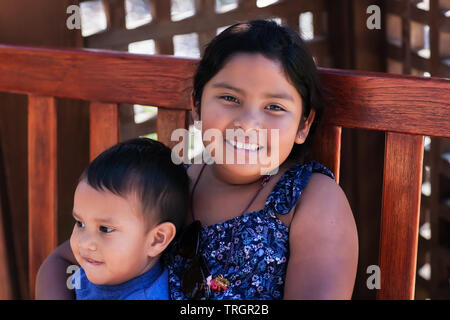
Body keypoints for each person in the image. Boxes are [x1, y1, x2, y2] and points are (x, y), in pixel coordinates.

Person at [36, 19, 358, 300]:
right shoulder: (172, 184)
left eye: (274, 107)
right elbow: (62, 262)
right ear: (197, 106)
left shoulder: (309, 200)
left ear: (304, 124)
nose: (247, 124)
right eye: (230, 98)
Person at [41, 138, 189, 299]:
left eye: (105, 229)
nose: (84, 242)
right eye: (80, 223)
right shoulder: (102, 268)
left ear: (157, 239)